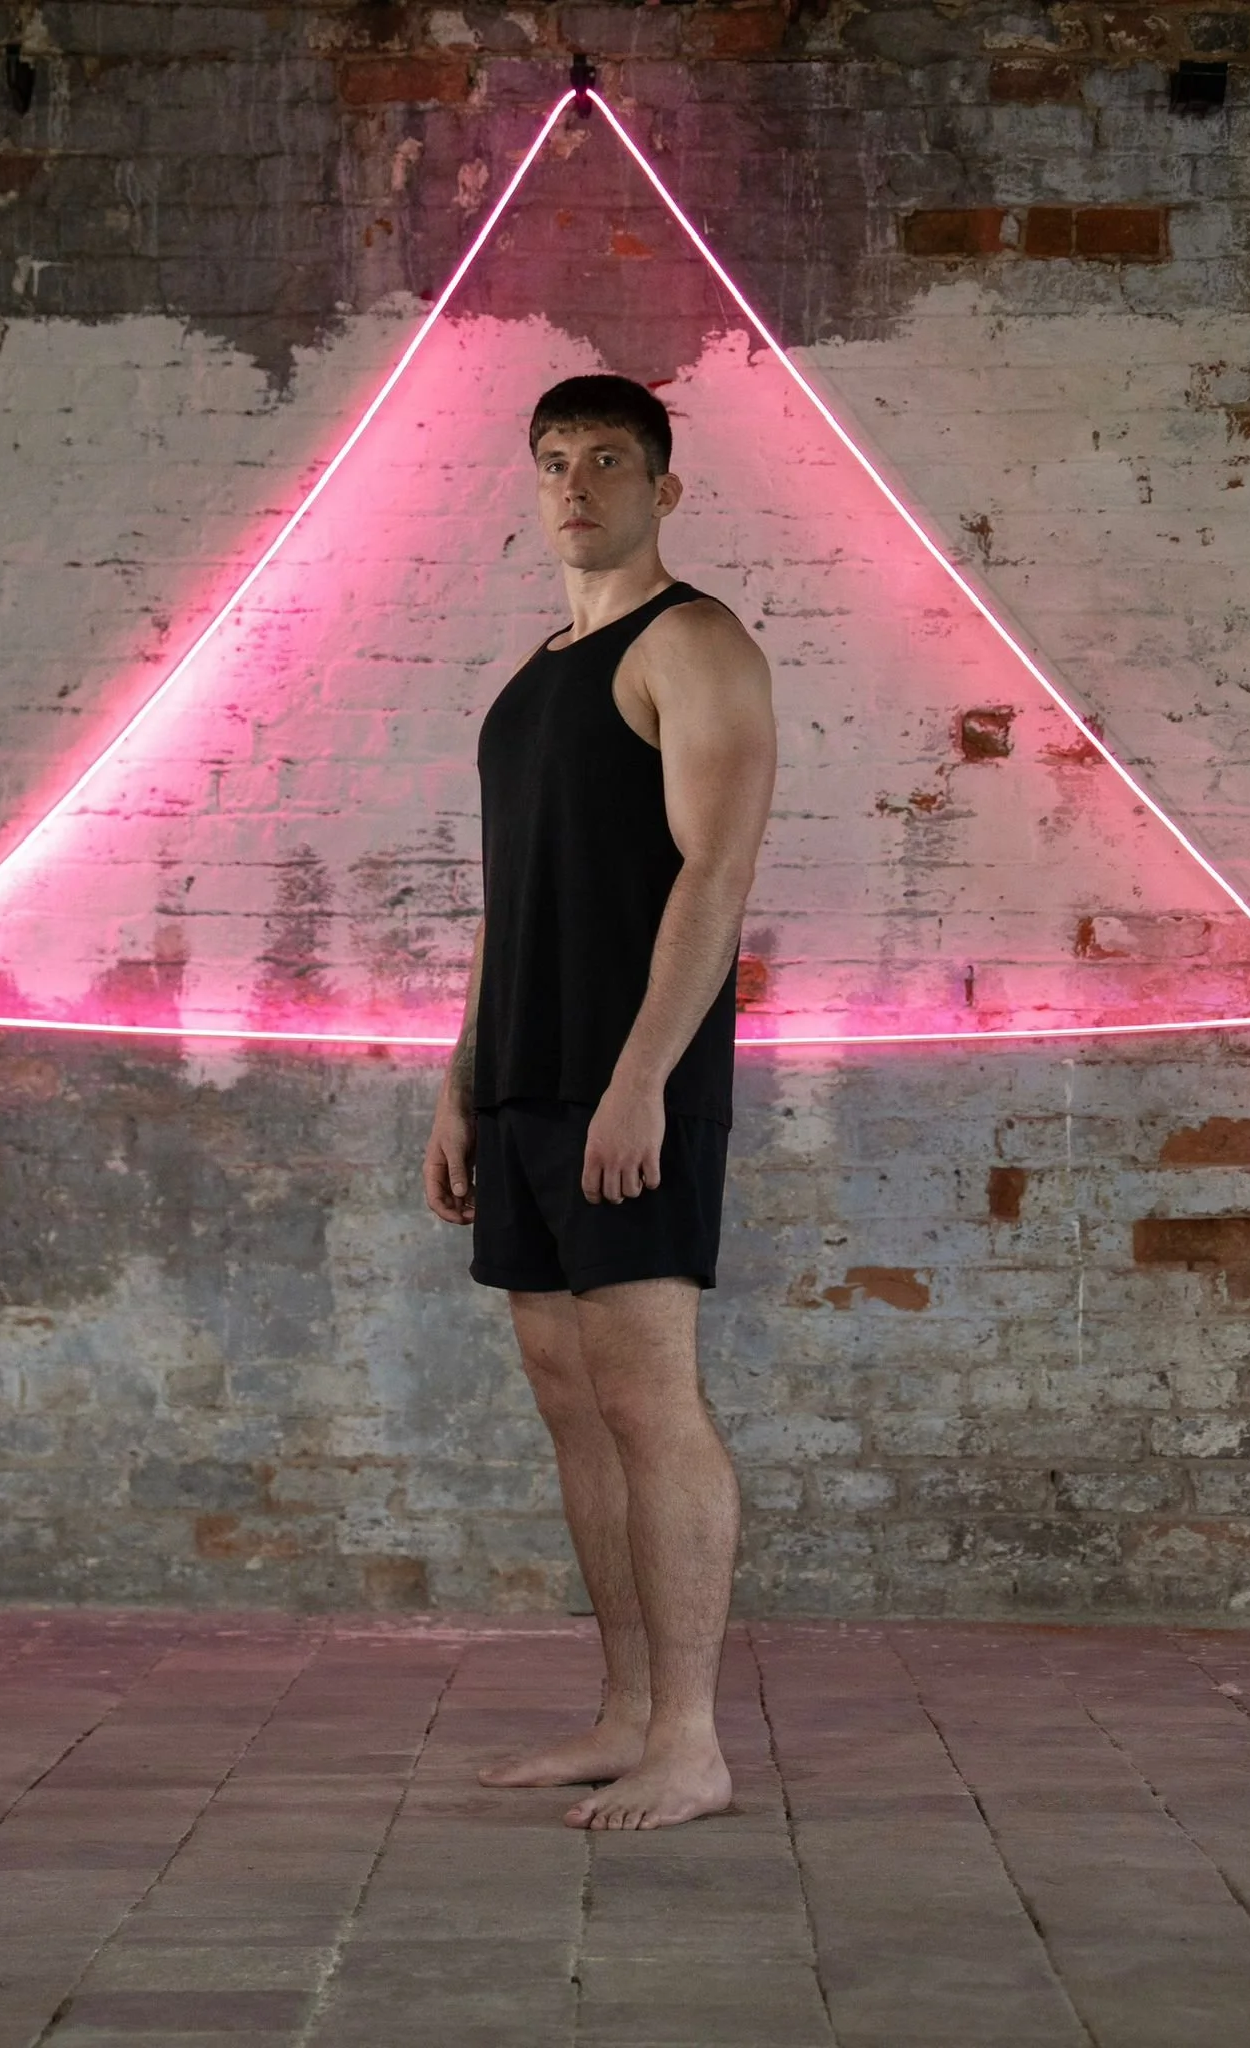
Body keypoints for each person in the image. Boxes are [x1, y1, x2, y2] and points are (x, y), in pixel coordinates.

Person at [422, 373, 776, 1830]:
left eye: (609, 459)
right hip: (522, 1084)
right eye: (555, 459)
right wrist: (460, 1083)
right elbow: (510, 909)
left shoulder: (692, 645)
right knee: (575, 1405)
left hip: (632, 1082)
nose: (577, 482)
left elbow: (718, 870)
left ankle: (693, 1741)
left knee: (647, 1393)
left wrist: (640, 1080)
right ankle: (627, 1712)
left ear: (664, 488)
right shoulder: (533, 676)